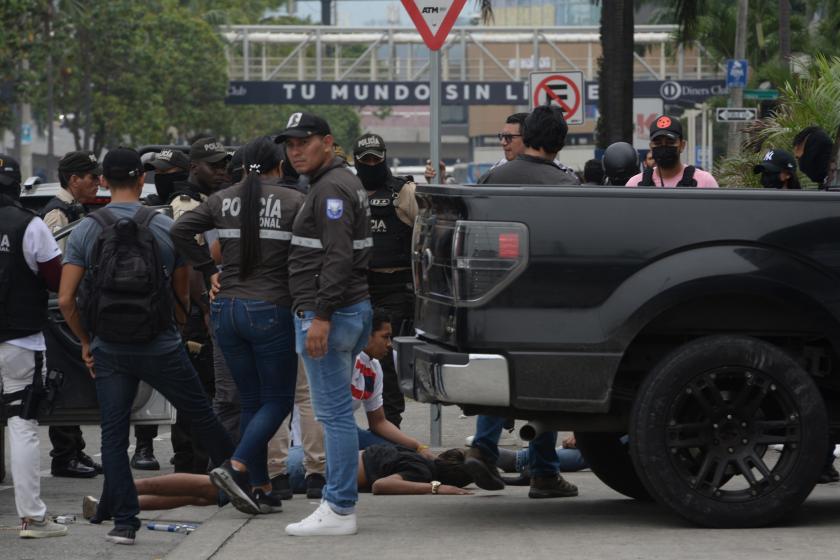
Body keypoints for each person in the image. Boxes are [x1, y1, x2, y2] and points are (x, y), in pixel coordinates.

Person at [58, 148, 234, 545]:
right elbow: (183, 293)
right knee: (201, 415)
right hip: (161, 344)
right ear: (142, 181)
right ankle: (248, 479)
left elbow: (67, 299)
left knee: (113, 435)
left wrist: (88, 341)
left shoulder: (86, 229)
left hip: (110, 348)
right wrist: (171, 328)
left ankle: (124, 523)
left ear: (104, 181)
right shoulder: (164, 226)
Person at [171, 136, 304, 516]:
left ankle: (258, 487)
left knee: (251, 401)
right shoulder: (294, 201)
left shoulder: (220, 199)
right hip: (270, 311)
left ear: (242, 168)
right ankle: (235, 466)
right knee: (278, 400)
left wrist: (209, 270)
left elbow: (178, 231)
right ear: (279, 166)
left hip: (225, 310)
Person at [467, 106, 580, 500]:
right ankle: (544, 473)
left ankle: (486, 448)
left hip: (496, 296)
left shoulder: (493, 178)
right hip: (547, 302)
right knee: (544, 385)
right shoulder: (569, 185)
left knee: (499, 377)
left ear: (527, 136)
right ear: (560, 142)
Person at [280, 111, 373, 536]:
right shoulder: (332, 182)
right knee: (335, 414)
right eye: (290, 143)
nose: (295, 150)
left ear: (329, 142)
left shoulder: (331, 187)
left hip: (330, 315)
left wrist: (320, 316)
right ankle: (338, 505)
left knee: (333, 415)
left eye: (304, 141)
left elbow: (338, 256)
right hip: (343, 311)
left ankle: (337, 508)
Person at [81, 444, 472, 518]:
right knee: (208, 487)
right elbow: (385, 487)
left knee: (205, 499)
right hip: (301, 471)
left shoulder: (417, 460)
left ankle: (112, 506)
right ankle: (119, 491)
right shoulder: (423, 472)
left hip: (306, 468)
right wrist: (438, 489)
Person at [0, 154, 68, 539]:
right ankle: (32, 519)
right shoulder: (30, 225)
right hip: (19, 340)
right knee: (21, 423)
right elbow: (57, 280)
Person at [42, 150, 104, 479]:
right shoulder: (56, 215)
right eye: (93, 177)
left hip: (68, 306)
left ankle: (75, 449)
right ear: (74, 180)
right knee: (65, 383)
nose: (98, 183)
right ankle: (65, 455)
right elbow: (60, 270)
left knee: (76, 381)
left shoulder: (73, 210)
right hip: (59, 310)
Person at [353, 132, 417, 427]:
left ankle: (391, 424)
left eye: (376, 159)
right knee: (355, 355)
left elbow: (422, 238)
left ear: (384, 157)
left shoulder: (403, 192)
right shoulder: (348, 190)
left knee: (385, 359)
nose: (370, 164)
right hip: (358, 286)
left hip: (394, 286)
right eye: (365, 159)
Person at [351, 310, 432, 453]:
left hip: (349, 431)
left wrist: (418, 446)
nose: (389, 344)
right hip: (324, 435)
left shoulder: (375, 366)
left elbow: (378, 422)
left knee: (399, 454)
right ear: (366, 336)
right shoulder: (349, 361)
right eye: (385, 337)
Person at [478, 105, 580, 186]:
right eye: (502, 136)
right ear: (561, 143)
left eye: (509, 137)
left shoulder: (490, 177)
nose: (503, 142)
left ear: (526, 135)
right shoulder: (567, 183)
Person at [625, 115, 719, 188]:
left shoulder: (704, 182)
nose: (664, 147)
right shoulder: (635, 184)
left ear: (682, 145)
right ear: (651, 147)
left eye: (670, 142)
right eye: (658, 143)